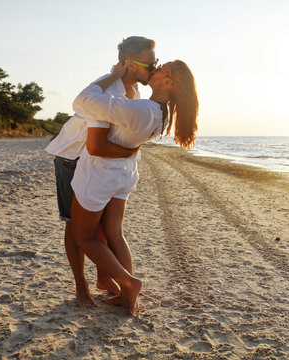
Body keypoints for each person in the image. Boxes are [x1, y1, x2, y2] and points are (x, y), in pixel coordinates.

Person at [70, 59, 198, 315]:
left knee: (83, 236)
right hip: (123, 175)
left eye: (163, 67)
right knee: (114, 234)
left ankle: (129, 283)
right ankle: (125, 294)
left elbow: (84, 101)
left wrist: (111, 76)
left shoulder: (141, 109)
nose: (156, 68)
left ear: (169, 82)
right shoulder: (162, 113)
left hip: (101, 175)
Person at [45, 36, 157, 307]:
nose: (154, 68)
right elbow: (95, 140)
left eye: (156, 63)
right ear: (130, 64)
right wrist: (128, 153)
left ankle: (107, 281)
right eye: (150, 64)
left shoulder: (134, 91)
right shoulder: (108, 90)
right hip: (73, 158)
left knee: (105, 230)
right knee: (76, 227)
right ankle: (81, 288)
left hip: (99, 164)